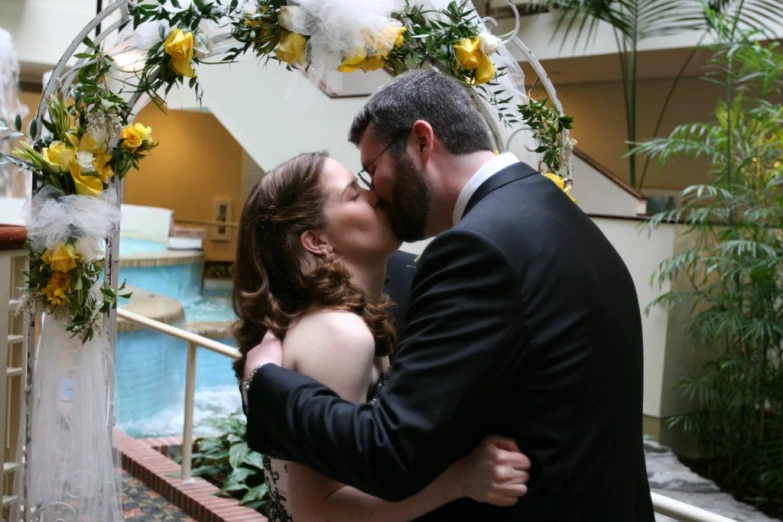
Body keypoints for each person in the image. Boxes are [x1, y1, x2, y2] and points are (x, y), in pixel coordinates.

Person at [242, 70, 655, 521]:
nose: (376, 191)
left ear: (422, 141)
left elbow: (393, 450)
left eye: (372, 169)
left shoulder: (478, 250)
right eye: (356, 188)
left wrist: (265, 384)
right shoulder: (553, 212)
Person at [232, 151, 531, 521]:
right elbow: (317, 512)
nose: (375, 194)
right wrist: (462, 479)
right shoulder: (338, 332)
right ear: (316, 241)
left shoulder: (349, 319)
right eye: (354, 194)